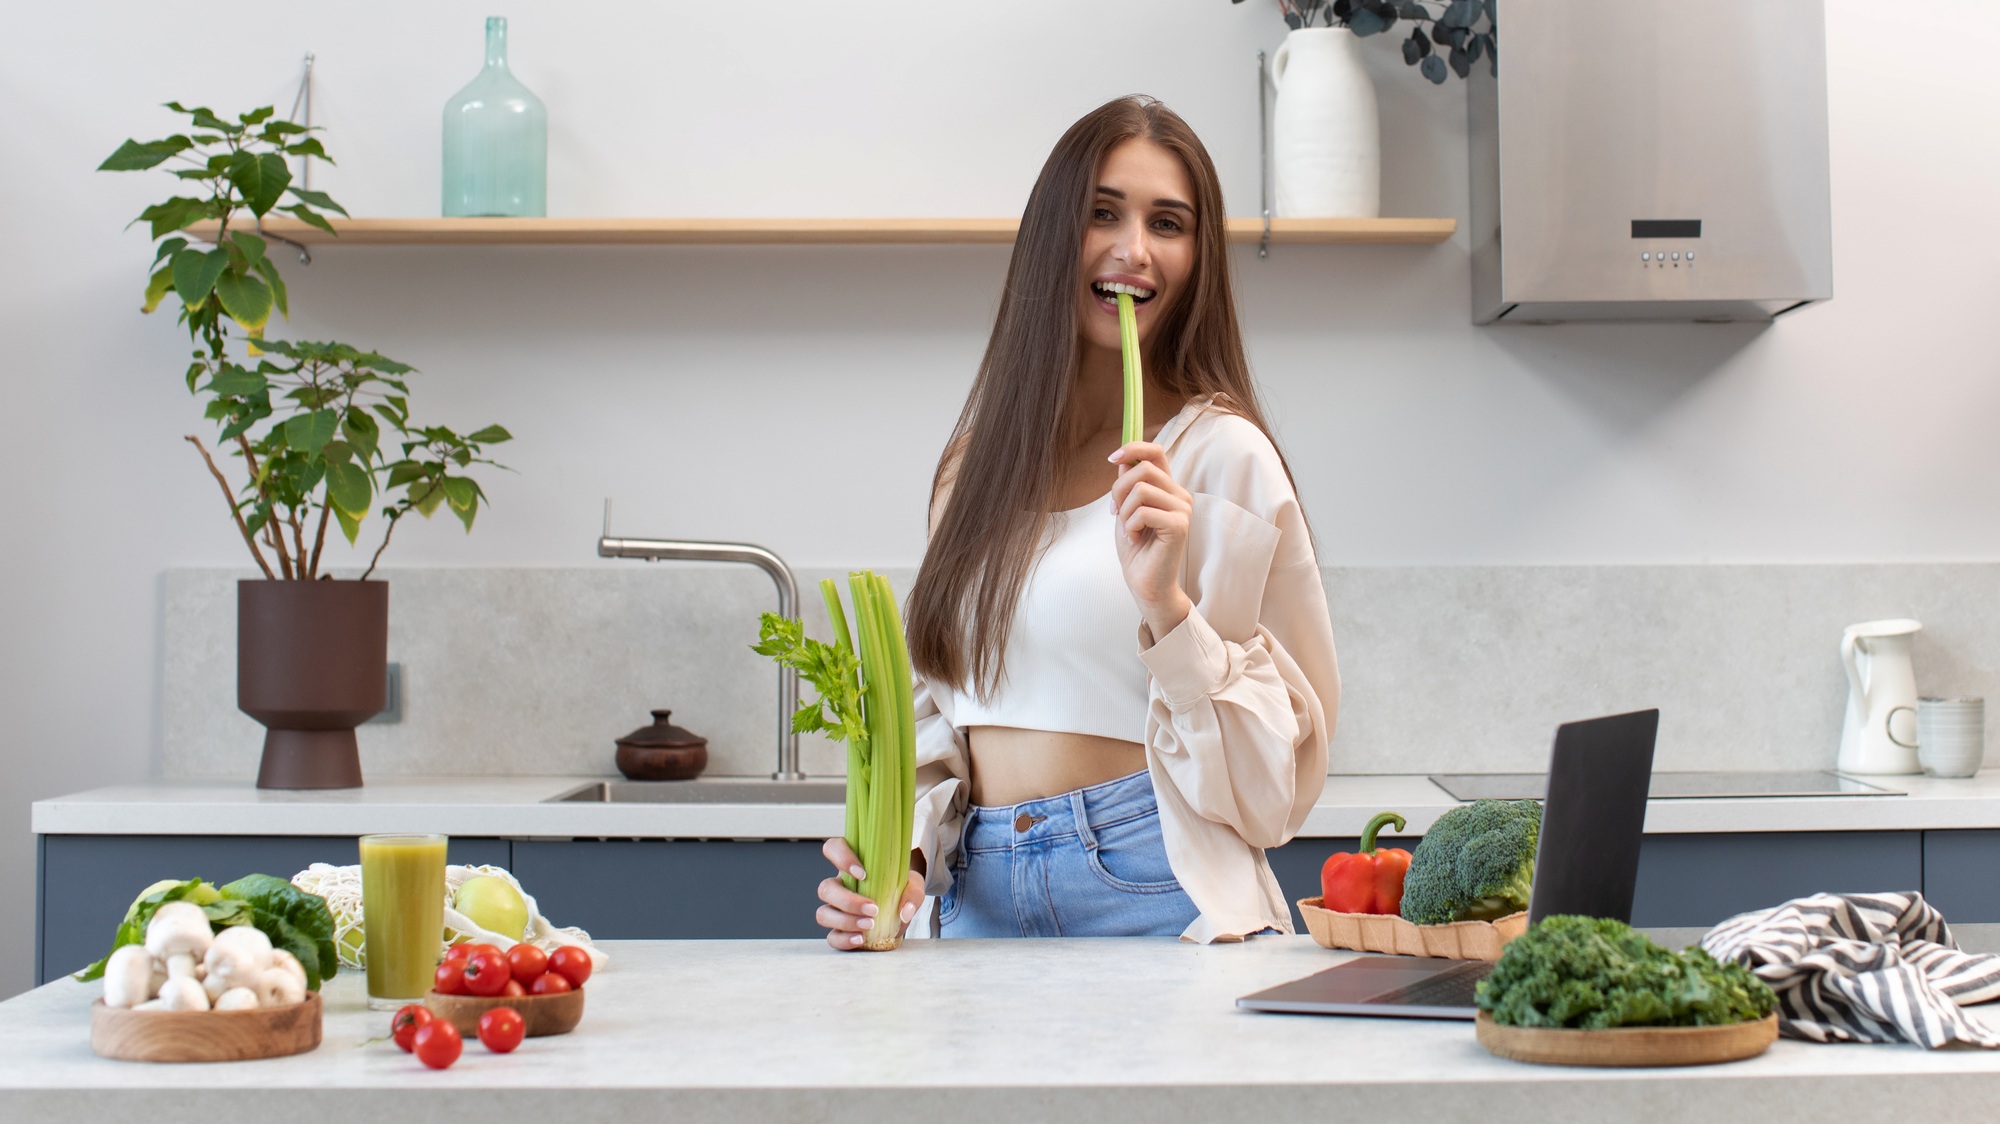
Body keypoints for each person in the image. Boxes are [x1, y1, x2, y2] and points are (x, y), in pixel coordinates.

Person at [815, 95, 1339, 947]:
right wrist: (901, 864)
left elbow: (1272, 791)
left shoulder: (1222, 458)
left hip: (1153, 885)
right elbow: (945, 716)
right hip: (975, 896)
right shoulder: (972, 470)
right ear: (1053, 233)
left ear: (1198, 258)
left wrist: (1167, 605)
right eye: (1103, 213)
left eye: (1168, 223)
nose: (1133, 250)